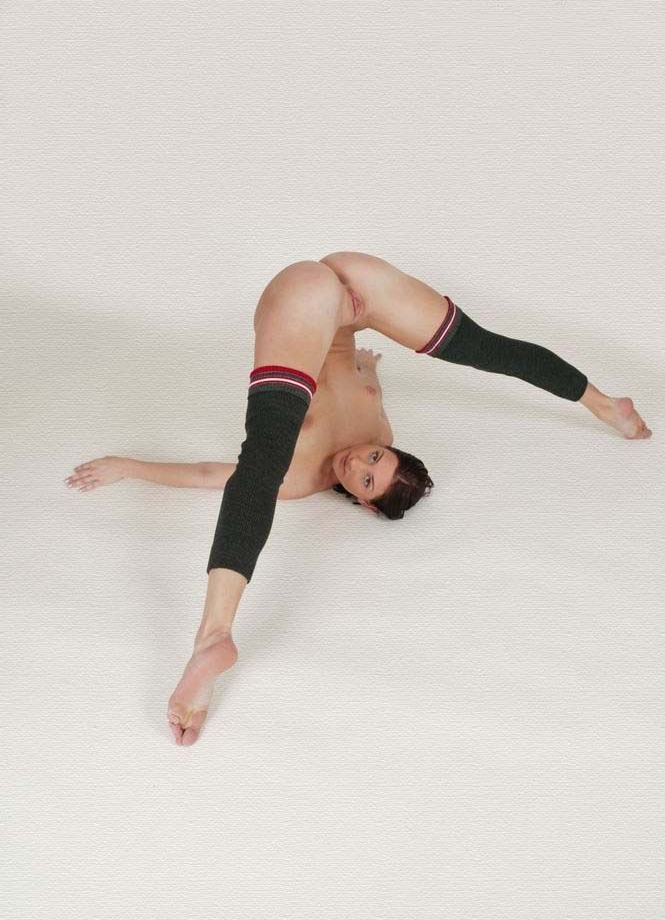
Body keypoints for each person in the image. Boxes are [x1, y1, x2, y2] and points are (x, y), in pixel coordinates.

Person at [63, 252, 653, 746]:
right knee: (488, 349)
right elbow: (367, 393)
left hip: (310, 291)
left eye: (367, 476)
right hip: (359, 289)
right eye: (377, 457)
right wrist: (367, 364)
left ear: (362, 503)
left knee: (264, 455)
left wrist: (130, 466)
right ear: (388, 448)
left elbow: (208, 475)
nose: (362, 460)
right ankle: (607, 406)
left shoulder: (300, 479)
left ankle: (215, 636)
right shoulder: (382, 431)